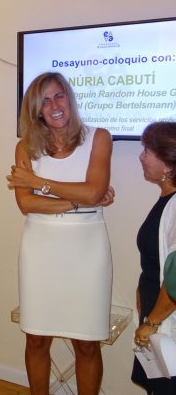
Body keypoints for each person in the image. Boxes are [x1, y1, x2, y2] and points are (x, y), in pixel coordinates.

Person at [7, 72, 114, 395]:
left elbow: (94, 191)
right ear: (36, 110)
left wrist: (39, 183)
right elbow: (26, 204)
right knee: (36, 338)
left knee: (87, 343)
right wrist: (79, 200)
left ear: (69, 97)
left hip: (88, 251)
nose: (54, 105)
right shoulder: (25, 147)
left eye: (59, 96)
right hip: (40, 251)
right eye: (45, 101)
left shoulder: (99, 138)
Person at [132, 122, 176, 394]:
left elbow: (175, 279)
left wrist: (151, 323)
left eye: (147, 151)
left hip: (163, 321)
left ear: (168, 166)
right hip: (155, 314)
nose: (141, 156)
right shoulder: (166, 200)